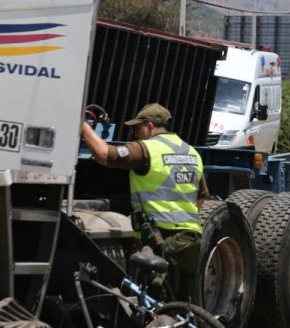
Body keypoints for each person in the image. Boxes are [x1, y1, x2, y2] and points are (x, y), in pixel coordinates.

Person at [81, 103, 206, 304]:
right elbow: (201, 197)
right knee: (185, 304)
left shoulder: (147, 149)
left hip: (165, 242)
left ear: (149, 126)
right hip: (192, 240)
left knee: (158, 305)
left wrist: (83, 126)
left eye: (137, 129)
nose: (135, 134)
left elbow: (104, 154)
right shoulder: (191, 153)